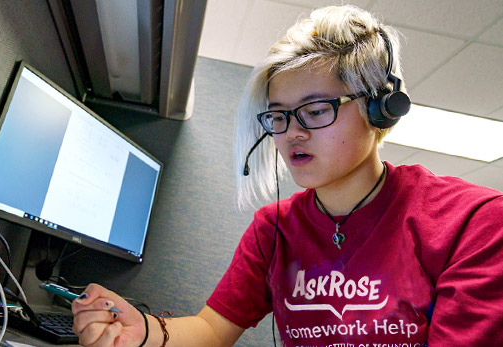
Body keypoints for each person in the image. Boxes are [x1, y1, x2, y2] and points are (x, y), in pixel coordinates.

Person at [72, 5, 503, 346]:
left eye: (316, 111)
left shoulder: (473, 221)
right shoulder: (273, 230)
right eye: (278, 116)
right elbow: (211, 331)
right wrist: (143, 331)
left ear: (379, 110)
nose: (292, 132)